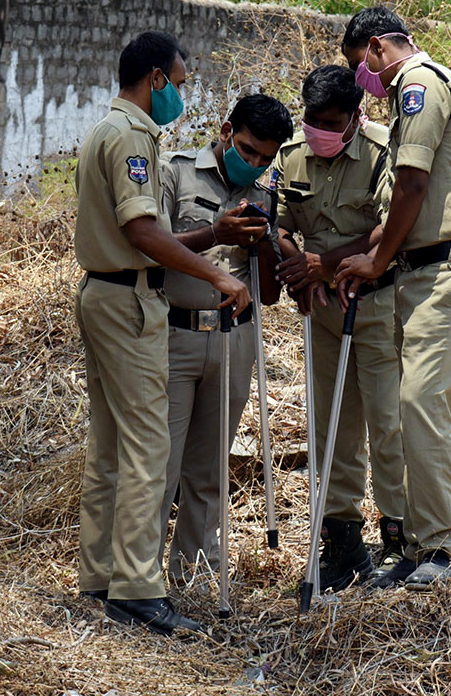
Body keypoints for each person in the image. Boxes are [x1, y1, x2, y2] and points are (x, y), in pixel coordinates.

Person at [74, 31, 251, 636]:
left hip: (103, 293)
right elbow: (145, 232)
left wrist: (208, 245)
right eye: (178, 80)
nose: (181, 92)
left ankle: (99, 574)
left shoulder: (106, 129)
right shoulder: (134, 138)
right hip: (130, 302)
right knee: (149, 450)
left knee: (108, 450)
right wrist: (219, 278)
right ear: (154, 79)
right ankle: (138, 588)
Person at [333, 7, 451, 591]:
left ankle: (440, 548)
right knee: (424, 405)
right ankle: (424, 544)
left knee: (421, 399)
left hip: (448, 266)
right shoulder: (417, 89)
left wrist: (377, 261)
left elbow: (413, 184)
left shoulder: (420, 84)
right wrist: (364, 259)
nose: (364, 84)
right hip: (424, 269)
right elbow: (396, 210)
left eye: (361, 68)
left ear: (377, 47)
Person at [271, 64, 407, 592]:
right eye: (311, 119)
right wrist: (300, 270)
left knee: (388, 424)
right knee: (332, 429)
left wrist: (323, 262)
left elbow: (387, 227)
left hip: (373, 309)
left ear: (354, 118)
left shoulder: (379, 154)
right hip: (321, 313)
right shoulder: (291, 155)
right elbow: (276, 222)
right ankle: (343, 544)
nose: (318, 129)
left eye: (330, 121)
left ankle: (401, 540)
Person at [158, 93, 293, 582]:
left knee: (210, 468)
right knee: (161, 465)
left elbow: (271, 293)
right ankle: (140, 577)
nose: (253, 162)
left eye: (265, 157)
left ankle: (193, 573)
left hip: (235, 339)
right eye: (246, 148)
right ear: (225, 130)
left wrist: (263, 245)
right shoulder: (174, 173)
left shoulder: (263, 195)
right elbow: (154, 248)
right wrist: (216, 233)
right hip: (176, 334)